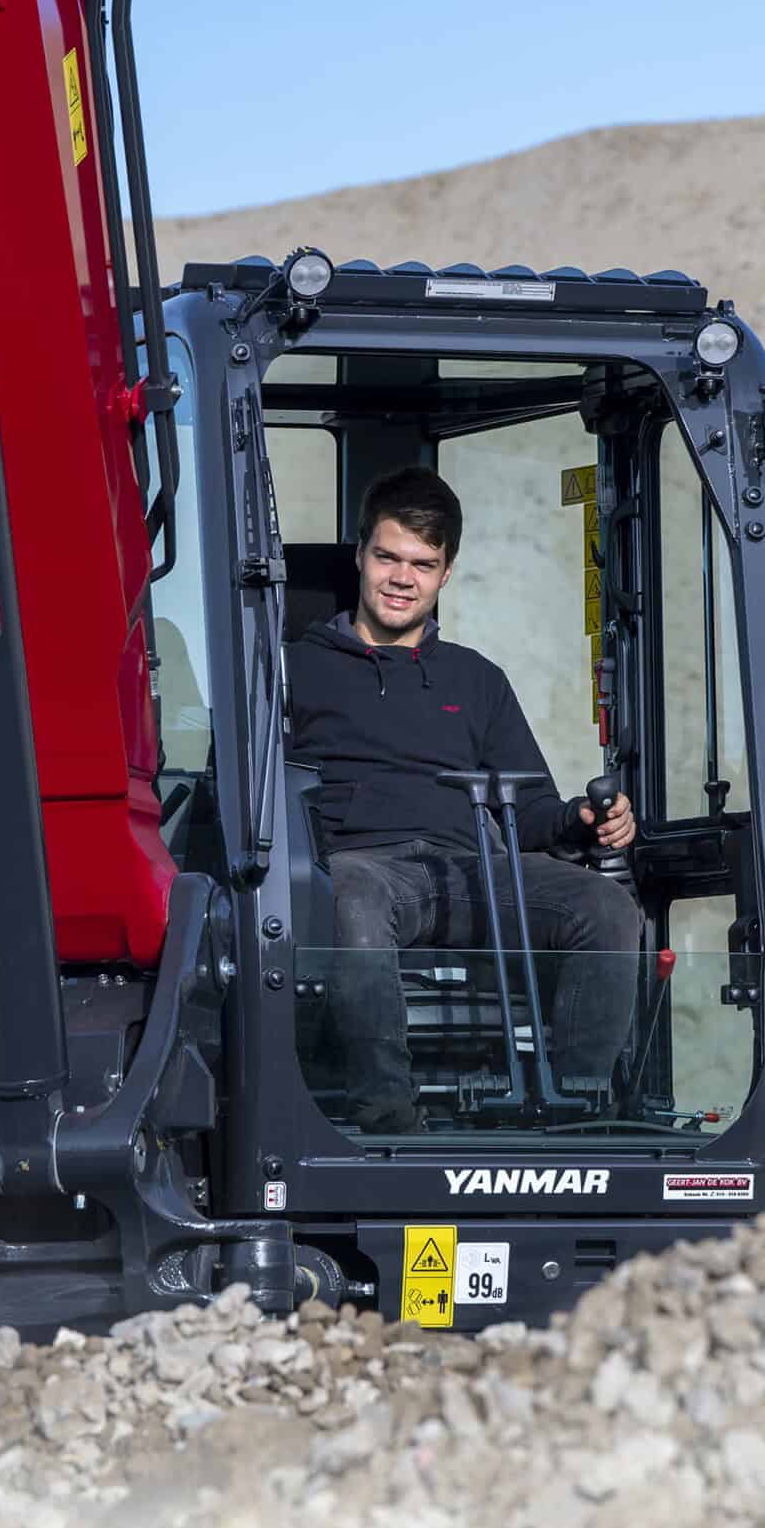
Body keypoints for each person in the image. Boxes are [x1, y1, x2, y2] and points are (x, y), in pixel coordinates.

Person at [288, 467, 641, 1134]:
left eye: (423, 564)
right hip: (363, 869)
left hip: (469, 871)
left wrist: (581, 820)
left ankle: (577, 1115)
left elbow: (528, 810)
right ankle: (390, 1119)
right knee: (351, 895)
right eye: (388, 557)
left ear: (446, 573)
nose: (402, 578)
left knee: (606, 906)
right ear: (360, 554)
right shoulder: (292, 670)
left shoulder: (477, 680)